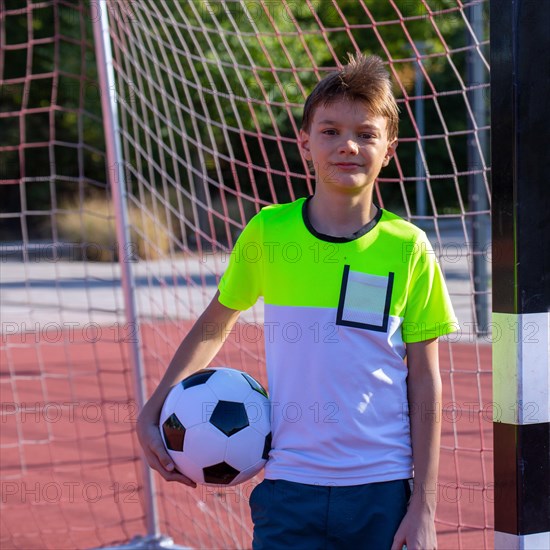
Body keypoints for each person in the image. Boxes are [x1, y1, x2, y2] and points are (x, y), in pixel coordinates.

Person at [137, 53, 457, 550]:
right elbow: (214, 324)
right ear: (304, 143)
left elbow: (425, 380)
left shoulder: (408, 247)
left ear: (389, 149)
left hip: (382, 491)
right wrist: (153, 408)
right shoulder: (269, 232)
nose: (348, 145)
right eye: (329, 131)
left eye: (366, 134)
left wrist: (425, 508)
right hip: (288, 488)